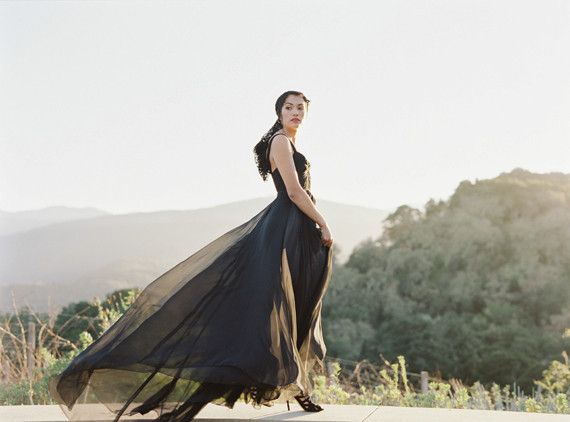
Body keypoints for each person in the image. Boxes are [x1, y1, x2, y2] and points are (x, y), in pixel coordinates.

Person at [50, 90, 334, 421]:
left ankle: (297, 386)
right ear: (279, 112)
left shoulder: (290, 142)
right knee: (266, 313)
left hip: (295, 231)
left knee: (295, 307)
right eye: (290, 107)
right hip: (284, 231)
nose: (296, 112)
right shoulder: (280, 143)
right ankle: (271, 388)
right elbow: (294, 191)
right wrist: (324, 222)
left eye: (301, 108)